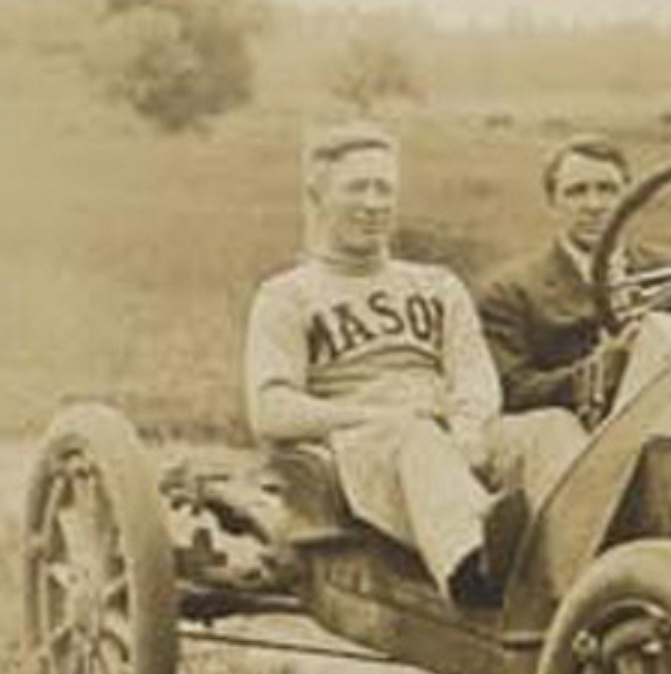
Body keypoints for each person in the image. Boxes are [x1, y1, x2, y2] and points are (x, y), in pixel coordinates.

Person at [244, 120, 584, 604]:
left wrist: (468, 429)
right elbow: (271, 411)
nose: (372, 203)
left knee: (552, 427)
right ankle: (478, 565)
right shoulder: (288, 295)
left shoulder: (436, 284)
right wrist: (378, 416)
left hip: (451, 431)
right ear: (318, 195)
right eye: (356, 188)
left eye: (384, 189)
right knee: (414, 437)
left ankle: (585, 563)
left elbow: (473, 374)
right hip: (366, 447)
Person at [477, 134, 639, 424]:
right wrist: (597, 373)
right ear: (553, 203)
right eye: (577, 192)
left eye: (608, 190)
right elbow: (512, 391)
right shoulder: (510, 292)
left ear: (628, 198)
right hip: (574, 440)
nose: (594, 204)